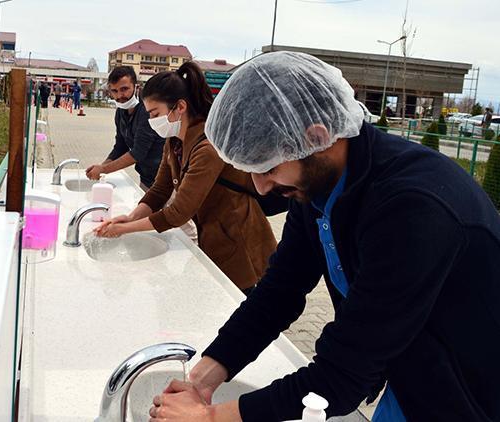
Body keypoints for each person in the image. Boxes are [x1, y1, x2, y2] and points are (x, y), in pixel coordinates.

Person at [148, 52, 500, 421]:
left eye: (267, 168)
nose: (261, 186)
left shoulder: (413, 208)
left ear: (317, 137)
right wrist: (203, 379)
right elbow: (279, 292)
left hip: (471, 396)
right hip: (411, 376)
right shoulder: (317, 182)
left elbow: (342, 377)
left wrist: (212, 417)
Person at [94, 62, 284, 291]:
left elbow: (178, 212)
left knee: (238, 303)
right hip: (212, 236)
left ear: (179, 107)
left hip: (238, 239)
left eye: (155, 114)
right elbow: (159, 191)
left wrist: (124, 229)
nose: (153, 121)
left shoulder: (207, 147)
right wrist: (131, 217)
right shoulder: (174, 141)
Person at [86, 66, 165, 189]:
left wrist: (103, 169)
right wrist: (101, 167)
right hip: (146, 178)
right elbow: (120, 146)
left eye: (124, 89)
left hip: (164, 180)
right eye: (114, 91)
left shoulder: (146, 111)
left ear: (135, 86)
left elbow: (138, 152)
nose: (119, 96)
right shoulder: (120, 112)